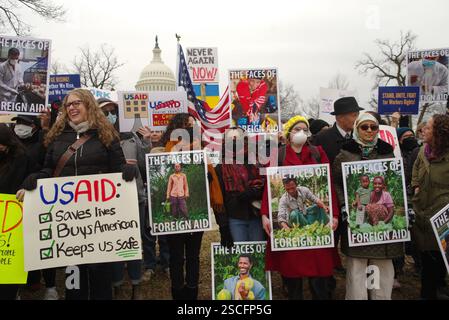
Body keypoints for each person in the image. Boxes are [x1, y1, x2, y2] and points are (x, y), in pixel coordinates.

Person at [17, 88, 135, 300]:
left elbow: (118, 168)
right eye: (68, 104)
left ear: (88, 105)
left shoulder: (106, 135)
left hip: (100, 224)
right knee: (74, 284)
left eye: (77, 103)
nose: (72, 107)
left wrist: (127, 171)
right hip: (69, 227)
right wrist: (35, 179)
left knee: (101, 282)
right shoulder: (57, 137)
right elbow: (49, 170)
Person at [261, 115, 340, 300]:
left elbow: (327, 188)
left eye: (305, 129)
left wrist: (333, 214)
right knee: (292, 274)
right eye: (297, 129)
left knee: (319, 275)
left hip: (312, 225)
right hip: (294, 226)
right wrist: (265, 215)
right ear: (289, 134)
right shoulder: (278, 155)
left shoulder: (318, 153)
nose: (301, 133)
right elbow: (267, 189)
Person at [333, 112, 404, 300]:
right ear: (357, 129)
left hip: (381, 218)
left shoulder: (387, 151)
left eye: (373, 127)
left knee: (382, 267)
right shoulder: (345, 154)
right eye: (365, 127)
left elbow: (400, 182)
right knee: (357, 266)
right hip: (358, 217)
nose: (369, 131)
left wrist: (407, 207)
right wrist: (343, 205)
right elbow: (337, 183)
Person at [163, 113, 231, 300]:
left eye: (194, 125)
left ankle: (192, 292)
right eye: (189, 125)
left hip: (196, 212)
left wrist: (206, 180)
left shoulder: (201, 152)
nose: (193, 128)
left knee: (193, 256)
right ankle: (177, 292)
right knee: (176, 257)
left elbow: (212, 186)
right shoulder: (165, 150)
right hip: (175, 215)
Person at [99, 97, 148, 300]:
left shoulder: (132, 137)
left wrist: (146, 142)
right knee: (114, 244)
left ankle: (136, 284)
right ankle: (117, 283)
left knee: (133, 243)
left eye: (113, 111)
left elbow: (144, 166)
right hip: (108, 201)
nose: (110, 115)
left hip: (134, 197)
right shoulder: (95, 138)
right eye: (105, 112)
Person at [411, 114, 449, 300]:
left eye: (429, 127)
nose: (424, 129)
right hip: (422, 216)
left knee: (440, 261)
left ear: (439, 133)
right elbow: (416, 170)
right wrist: (416, 185)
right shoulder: (422, 151)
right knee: (426, 261)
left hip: (442, 219)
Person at [0, 124, 34, 300]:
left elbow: (32, 177)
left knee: (8, 267)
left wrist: (25, 188)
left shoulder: (22, 158)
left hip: (13, 217)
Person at [215, 127, 265, 242]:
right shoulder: (220, 168)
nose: (234, 140)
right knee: (242, 256)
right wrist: (223, 227)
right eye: (230, 138)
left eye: (237, 137)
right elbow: (219, 199)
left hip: (256, 215)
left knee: (258, 255)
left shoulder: (257, 161)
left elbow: (267, 185)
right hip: (235, 217)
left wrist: (254, 191)